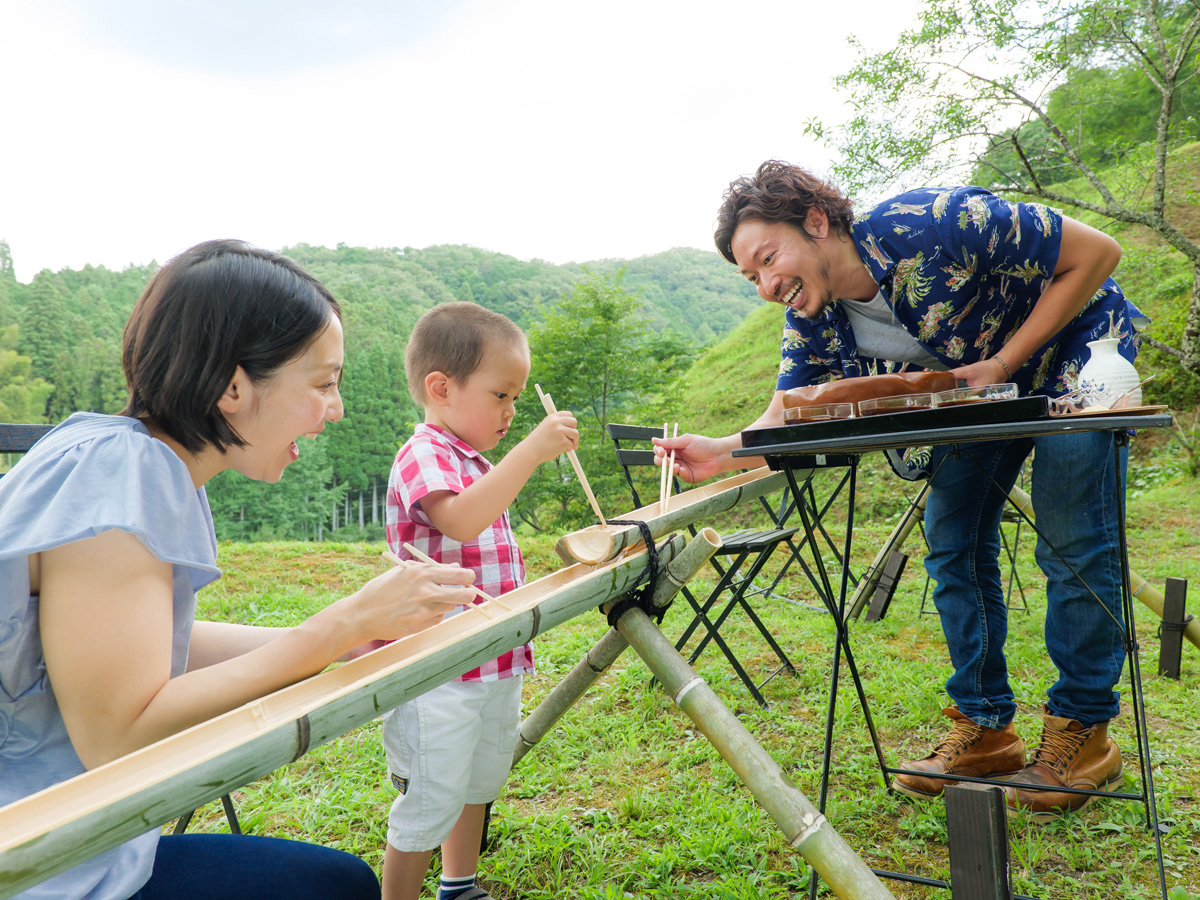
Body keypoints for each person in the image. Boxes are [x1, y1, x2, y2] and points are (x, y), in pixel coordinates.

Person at [655, 160, 1146, 820]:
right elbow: (785, 411)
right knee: (951, 541)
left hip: (1081, 359)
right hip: (981, 393)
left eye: (769, 259)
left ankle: (1083, 732)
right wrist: (720, 451)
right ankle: (985, 725)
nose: (768, 285)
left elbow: (1097, 255)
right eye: (752, 278)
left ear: (818, 222)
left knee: (1071, 540)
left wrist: (1003, 361)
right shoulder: (811, 316)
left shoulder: (936, 221)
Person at [0, 240, 478, 900]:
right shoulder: (121, 473)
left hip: (76, 843)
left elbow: (133, 649)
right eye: (323, 382)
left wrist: (353, 639)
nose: (336, 407)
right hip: (41, 867)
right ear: (232, 385)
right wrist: (336, 628)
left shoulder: (128, 459)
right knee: (335, 889)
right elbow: (119, 733)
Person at [382, 302, 578, 900]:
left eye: (516, 397)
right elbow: (462, 522)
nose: (512, 412)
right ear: (441, 388)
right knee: (429, 798)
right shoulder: (424, 454)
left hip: (493, 657)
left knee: (474, 781)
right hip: (439, 668)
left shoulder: (471, 460)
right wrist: (531, 451)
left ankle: (458, 884)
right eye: (501, 395)